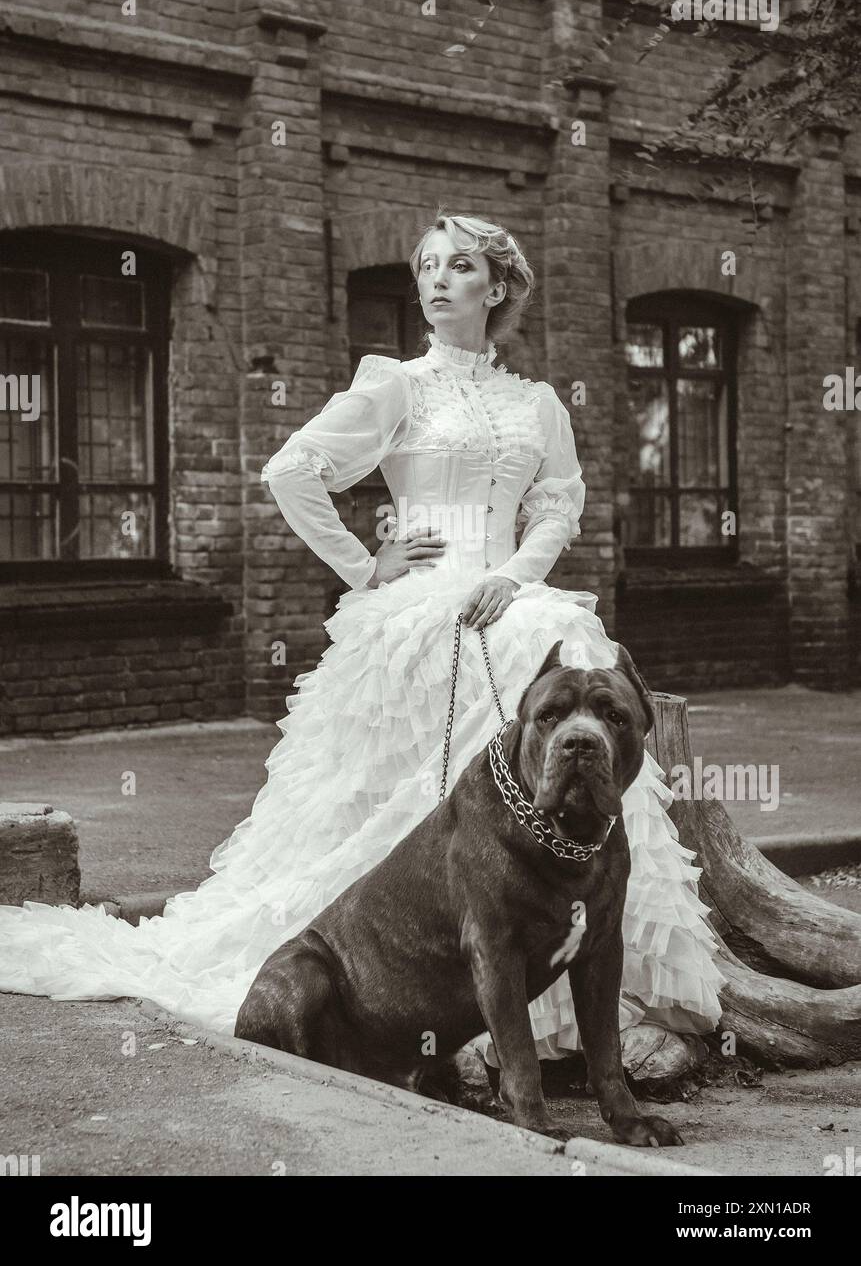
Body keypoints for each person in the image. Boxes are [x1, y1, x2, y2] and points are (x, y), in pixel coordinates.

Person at [0, 211, 723, 1072]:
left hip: (511, 592)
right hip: (418, 605)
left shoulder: (537, 404)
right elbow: (290, 470)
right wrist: (364, 565)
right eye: (426, 267)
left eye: (459, 266)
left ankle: (582, 989)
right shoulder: (395, 384)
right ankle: (418, 984)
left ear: (495, 288)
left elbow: (559, 504)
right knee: (521, 674)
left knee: (558, 635)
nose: (437, 279)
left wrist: (517, 576)